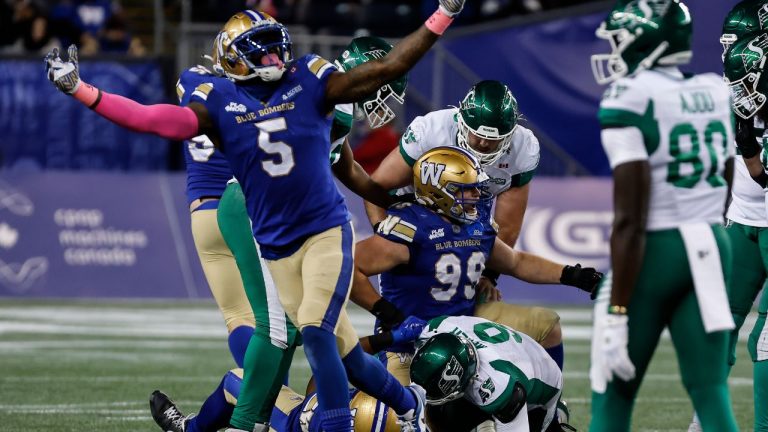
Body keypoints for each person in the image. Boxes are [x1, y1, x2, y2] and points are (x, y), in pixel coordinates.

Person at [45, 2, 468, 429]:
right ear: (233, 59)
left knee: (313, 333)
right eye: (261, 53)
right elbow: (156, 120)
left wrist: (443, 13)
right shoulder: (221, 97)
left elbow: (383, 77)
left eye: (274, 50)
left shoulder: (308, 79)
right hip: (262, 226)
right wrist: (84, 90)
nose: (273, 60)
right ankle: (402, 404)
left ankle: (252, 421)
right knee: (313, 339)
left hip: (321, 228)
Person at [153, 34, 410, 432]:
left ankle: (409, 407)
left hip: (257, 211)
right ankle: (246, 423)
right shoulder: (319, 96)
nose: (384, 96)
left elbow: (343, 165)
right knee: (282, 329)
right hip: (264, 215)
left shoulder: (307, 93)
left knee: (316, 336)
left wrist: (389, 200)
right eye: (379, 85)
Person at [589, 0, 739, 430]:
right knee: (711, 391)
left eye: (620, 41)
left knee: (612, 392)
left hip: (655, 249)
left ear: (647, 44)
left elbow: (629, 219)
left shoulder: (631, 96)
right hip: (712, 244)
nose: (615, 52)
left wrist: (618, 312)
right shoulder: (714, 89)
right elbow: (724, 175)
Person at [358, 80, 569, 370]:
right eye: (477, 136)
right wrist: (388, 235)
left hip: (467, 224)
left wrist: (487, 272)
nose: (483, 144)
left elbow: (509, 239)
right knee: (406, 397)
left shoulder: (519, 150)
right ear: (461, 122)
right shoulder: (432, 131)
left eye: (494, 140)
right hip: (420, 217)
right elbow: (376, 189)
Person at [352, 146, 601, 387]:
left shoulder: (476, 225)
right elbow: (349, 269)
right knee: (406, 415)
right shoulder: (411, 229)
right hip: (411, 341)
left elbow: (516, 262)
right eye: (466, 190)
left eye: (476, 189)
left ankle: (547, 409)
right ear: (440, 191)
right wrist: (391, 315)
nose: (476, 197)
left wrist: (576, 276)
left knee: (545, 325)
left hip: (465, 324)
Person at [722, 29, 768, 432]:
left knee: (765, 341)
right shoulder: (746, 103)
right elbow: (753, 171)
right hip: (746, 220)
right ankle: (707, 421)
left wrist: (753, 150)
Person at [409, 315, 567, 432]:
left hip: (542, 385)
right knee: (439, 410)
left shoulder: (500, 385)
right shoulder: (436, 328)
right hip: (508, 356)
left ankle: (556, 417)